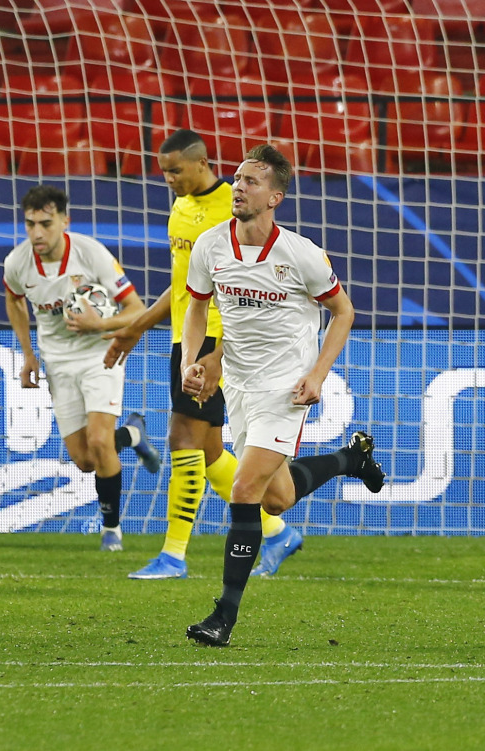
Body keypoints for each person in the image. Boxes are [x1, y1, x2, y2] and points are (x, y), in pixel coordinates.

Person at [179, 145, 385, 647]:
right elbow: (196, 309)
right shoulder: (210, 246)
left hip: (286, 389)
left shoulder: (301, 254)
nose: (239, 187)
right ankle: (350, 460)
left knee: (245, 491)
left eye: (250, 181)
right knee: (277, 496)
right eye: (237, 178)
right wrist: (194, 360)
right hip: (240, 386)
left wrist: (316, 375)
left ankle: (223, 617)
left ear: (275, 197)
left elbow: (344, 313)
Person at [105, 130, 305, 580]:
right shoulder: (180, 209)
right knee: (210, 448)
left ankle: (174, 555)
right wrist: (136, 327)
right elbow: (184, 285)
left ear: (202, 163)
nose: (170, 179)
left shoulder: (230, 207)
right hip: (186, 338)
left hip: (218, 341)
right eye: (164, 173)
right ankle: (276, 533)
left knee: (182, 440)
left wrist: (220, 350)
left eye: (176, 170)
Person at [2, 185, 159, 552]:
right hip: (58, 361)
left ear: (64, 221)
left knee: (101, 441)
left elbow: (137, 308)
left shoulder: (91, 254)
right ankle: (134, 435)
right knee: (87, 460)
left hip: (99, 353)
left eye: (46, 223)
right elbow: (13, 299)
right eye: (30, 224)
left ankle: (112, 532)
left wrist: (99, 326)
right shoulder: (18, 263)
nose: (37, 233)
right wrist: (28, 354)